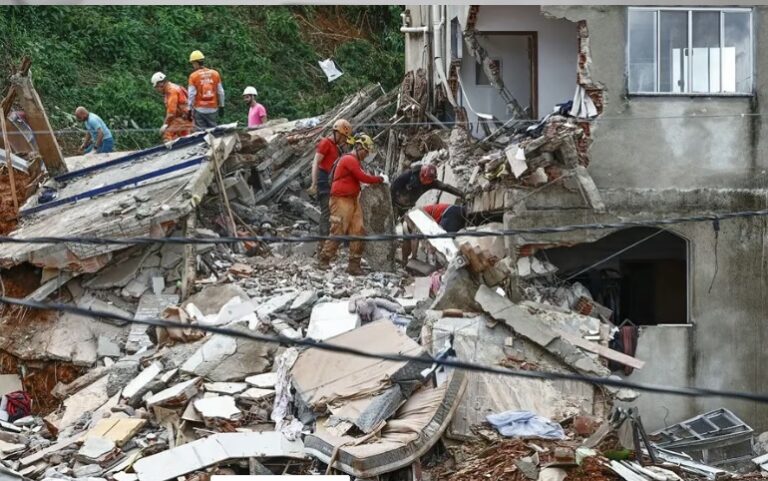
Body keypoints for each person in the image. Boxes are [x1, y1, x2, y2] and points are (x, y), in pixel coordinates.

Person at [318, 134, 384, 275]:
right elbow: (363, 177)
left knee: (359, 230)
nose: (366, 155)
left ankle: (354, 264)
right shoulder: (349, 159)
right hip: (341, 199)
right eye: (365, 151)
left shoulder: (354, 161)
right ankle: (324, 259)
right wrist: (379, 179)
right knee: (338, 229)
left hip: (353, 199)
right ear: (359, 147)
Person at [307, 119, 353, 255]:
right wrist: (314, 183)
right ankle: (321, 245)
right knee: (326, 212)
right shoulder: (326, 143)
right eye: (344, 137)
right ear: (338, 133)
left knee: (334, 213)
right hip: (323, 181)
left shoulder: (336, 147)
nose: (345, 140)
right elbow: (315, 162)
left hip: (331, 182)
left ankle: (330, 245)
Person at [401, 203, 468, 264]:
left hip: (449, 213)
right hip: (457, 210)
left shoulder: (411, 218)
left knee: (442, 243)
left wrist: (413, 257)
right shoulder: (418, 214)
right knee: (450, 244)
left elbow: (414, 238)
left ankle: (452, 264)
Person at [390, 164, 464, 217]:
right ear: (421, 173)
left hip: (407, 208)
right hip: (395, 203)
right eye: (422, 177)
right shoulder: (409, 175)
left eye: (426, 180)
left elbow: (446, 187)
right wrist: (390, 202)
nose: (423, 181)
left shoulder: (432, 183)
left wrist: (461, 194)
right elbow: (394, 186)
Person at [187, 50, 225, 130]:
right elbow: (220, 92)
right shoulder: (215, 74)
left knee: (201, 134)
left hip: (199, 110)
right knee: (213, 132)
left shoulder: (193, 76)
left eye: (193, 63)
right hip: (213, 109)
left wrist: (189, 110)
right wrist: (222, 106)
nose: (193, 66)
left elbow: (191, 95)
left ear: (196, 63)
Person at [151, 72, 194, 142]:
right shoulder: (174, 87)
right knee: (183, 138)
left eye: (156, 87)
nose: (157, 90)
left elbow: (171, 113)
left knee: (167, 134)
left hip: (183, 118)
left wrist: (165, 125)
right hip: (187, 117)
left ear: (160, 84)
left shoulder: (171, 91)